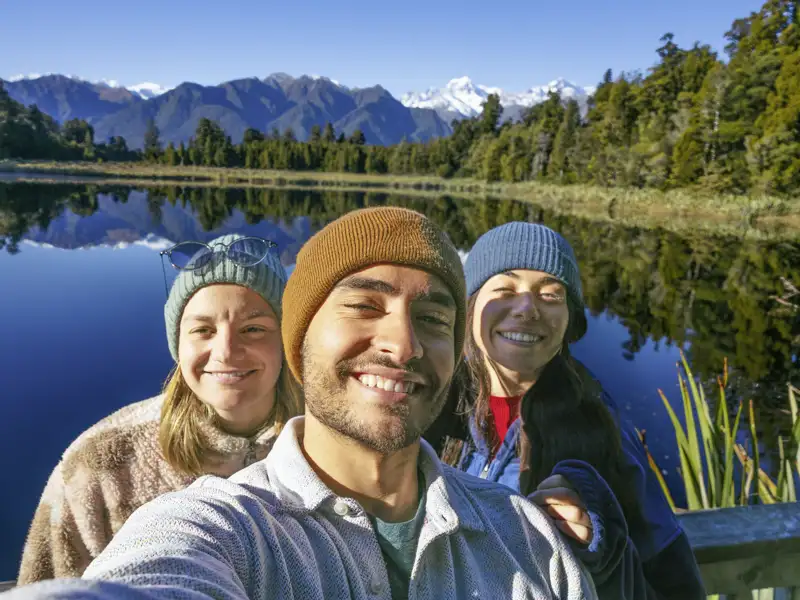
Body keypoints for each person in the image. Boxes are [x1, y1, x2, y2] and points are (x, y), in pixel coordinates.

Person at [3, 207, 598, 600]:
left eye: (434, 318)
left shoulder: (529, 542)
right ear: (302, 341)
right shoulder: (216, 527)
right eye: (364, 306)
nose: (403, 344)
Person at [434, 221, 705, 599]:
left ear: (569, 322)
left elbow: (674, 584)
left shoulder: (600, 427)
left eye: (550, 295)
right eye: (505, 290)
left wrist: (599, 546)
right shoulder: (428, 405)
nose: (527, 308)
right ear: (471, 306)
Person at [16, 233, 302, 585]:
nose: (226, 351)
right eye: (203, 330)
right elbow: (50, 586)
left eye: (253, 328)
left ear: (285, 340)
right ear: (178, 343)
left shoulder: (330, 443)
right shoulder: (101, 464)